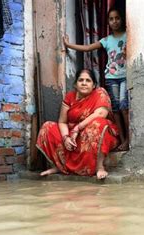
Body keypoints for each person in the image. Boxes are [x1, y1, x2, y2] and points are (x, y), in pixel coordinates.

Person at [63, 8, 129, 151]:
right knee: (116, 110)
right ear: (108, 23)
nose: (114, 21)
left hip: (125, 76)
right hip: (111, 78)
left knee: (124, 108)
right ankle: (123, 140)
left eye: (117, 18)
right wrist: (69, 45)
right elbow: (87, 48)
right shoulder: (106, 40)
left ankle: (130, 138)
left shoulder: (128, 36)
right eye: (111, 19)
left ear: (122, 19)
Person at [36, 69, 119, 180]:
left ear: (94, 85)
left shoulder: (100, 93)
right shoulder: (70, 97)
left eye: (88, 80)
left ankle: (99, 166)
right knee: (48, 127)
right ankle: (60, 166)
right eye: (81, 80)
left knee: (98, 124)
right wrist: (66, 138)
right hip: (72, 136)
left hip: (97, 134)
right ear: (75, 84)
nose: (84, 83)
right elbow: (62, 121)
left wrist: (77, 128)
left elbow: (101, 113)